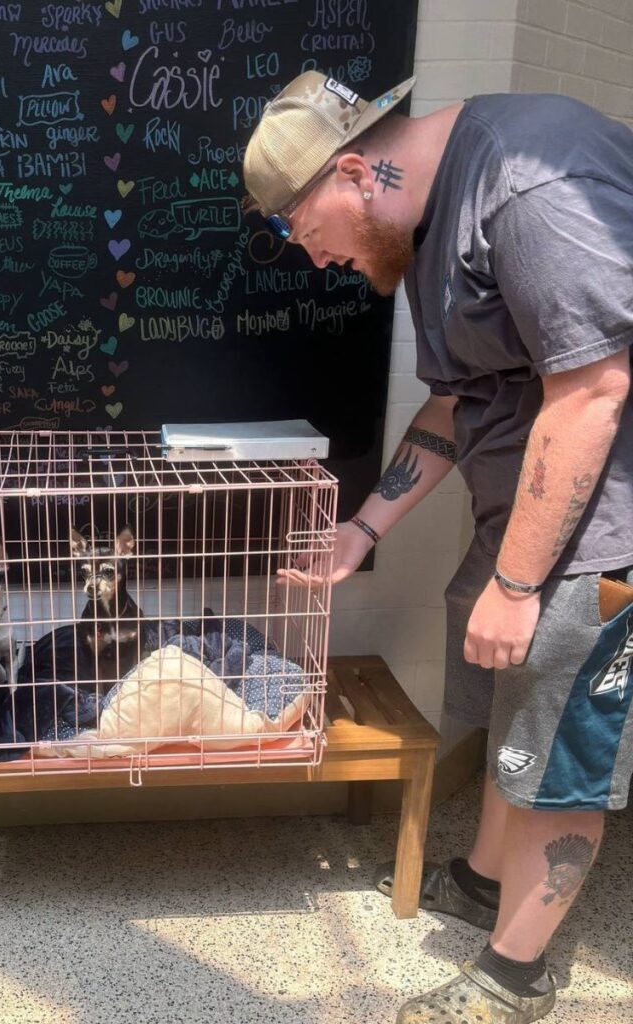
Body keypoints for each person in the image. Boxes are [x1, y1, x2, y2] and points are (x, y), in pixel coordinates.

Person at [243, 72, 633, 1023]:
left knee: (557, 741)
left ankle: (516, 978)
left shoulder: (525, 188)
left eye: (305, 231)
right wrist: (361, 529)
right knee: (508, 695)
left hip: (606, 531)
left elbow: (595, 391)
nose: (315, 259)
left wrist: (518, 582)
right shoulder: (421, 225)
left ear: (351, 174)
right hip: (530, 514)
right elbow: (460, 401)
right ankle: (486, 881)